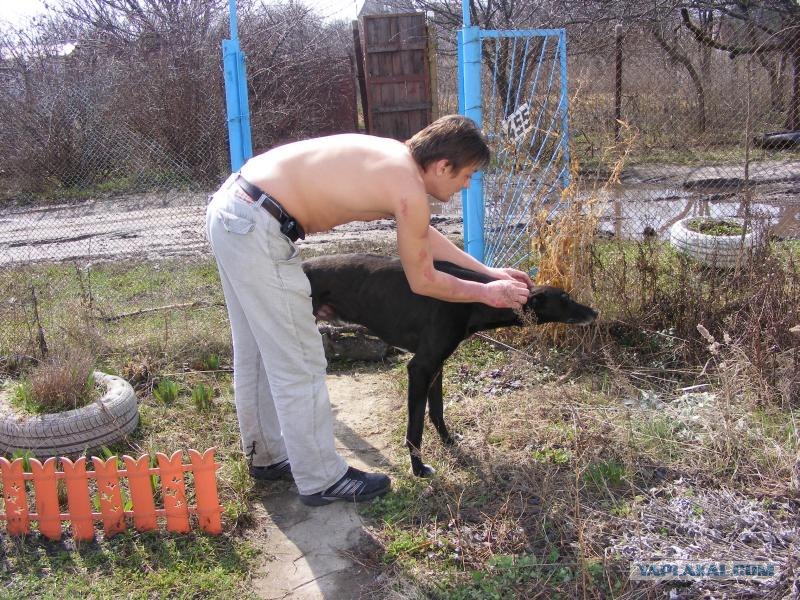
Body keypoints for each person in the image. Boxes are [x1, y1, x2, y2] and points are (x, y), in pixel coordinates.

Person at [205, 115, 532, 506]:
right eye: (466, 176)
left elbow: (421, 233)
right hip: (256, 225)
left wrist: (489, 273)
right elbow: (424, 281)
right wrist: (487, 293)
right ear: (443, 166)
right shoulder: (408, 186)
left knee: (256, 351)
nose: (466, 185)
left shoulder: (395, 160)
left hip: (235, 209)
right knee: (299, 361)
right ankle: (322, 479)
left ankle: (267, 457)